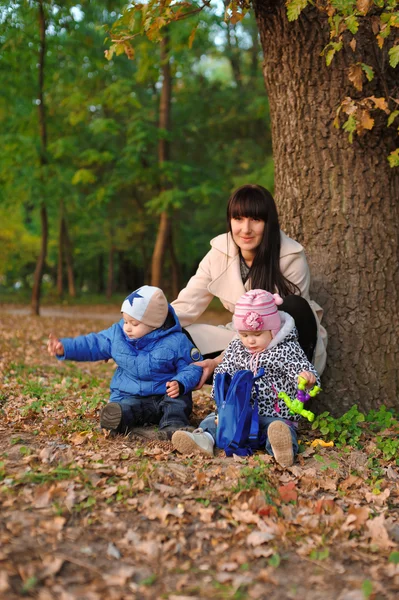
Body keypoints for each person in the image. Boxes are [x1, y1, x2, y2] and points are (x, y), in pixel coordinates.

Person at [171, 184, 327, 387]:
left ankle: (281, 400)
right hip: (241, 337)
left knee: (294, 305)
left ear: (268, 222)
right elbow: (187, 304)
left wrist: (220, 361)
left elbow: (281, 327)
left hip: (284, 345)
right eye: (238, 219)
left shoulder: (290, 256)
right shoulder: (220, 250)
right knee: (174, 338)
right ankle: (168, 401)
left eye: (255, 219)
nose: (245, 229)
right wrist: (141, 327)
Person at [172, 289, 320, 467]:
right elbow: (223, 373)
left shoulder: (286, 349)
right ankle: (203, 439)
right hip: (238, 413)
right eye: (244, 335)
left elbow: (300, 368)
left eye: (257, 335)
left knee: (280, 428)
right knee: (213, 421)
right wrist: (222, 404)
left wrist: (306, 379)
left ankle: (281, 447)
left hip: (273, 413)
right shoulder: (236, 348)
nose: (250, 341)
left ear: (274, 330)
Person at [47, 286, 203, 438]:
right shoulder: (118, 335)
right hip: (132, 396)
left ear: (154, 324)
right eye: (125, 321)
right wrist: (65, 347)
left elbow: (193, 367)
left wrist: (180, 382)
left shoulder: (176, 341)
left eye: (134, 324)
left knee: (178, 401)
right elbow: (93, 343)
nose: (127, 328)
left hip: (165, 395)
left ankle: (173, 426)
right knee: (126, 408)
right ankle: (117, 418)